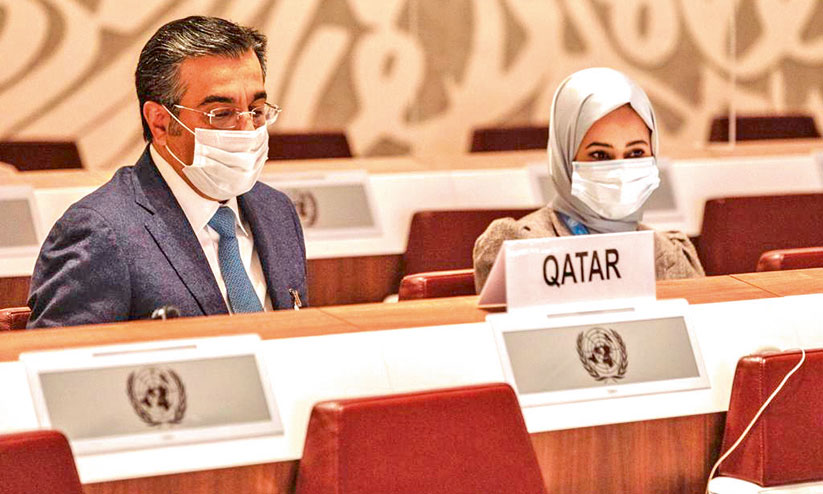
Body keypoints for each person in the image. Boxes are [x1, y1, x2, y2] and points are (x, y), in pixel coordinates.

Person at [27, 16, 308, 328]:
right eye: (221, 113)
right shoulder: (100, 232)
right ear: (160, 122)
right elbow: (60, 356)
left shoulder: (277, 212)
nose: (247, 130)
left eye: (256, 111)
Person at [473, 67, 704, 292]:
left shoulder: (672, 255)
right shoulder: (519, 248)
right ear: (565, 156)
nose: (619, 171)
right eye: (600, 155)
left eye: (636, 153)